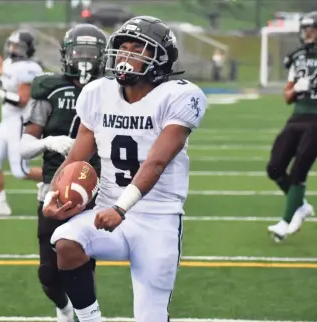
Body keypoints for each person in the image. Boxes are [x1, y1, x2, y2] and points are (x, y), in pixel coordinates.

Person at [42, 16, 207, 322]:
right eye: (123, 48)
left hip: (157, 219)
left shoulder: (180, 95)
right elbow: (77, 157)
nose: (126, 55)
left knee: (150, 317)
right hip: (108, 212)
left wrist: (121, 207)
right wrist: (53, 195)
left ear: (159, 59)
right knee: (66, 241)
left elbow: (156, 162)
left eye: (137, 49)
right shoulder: (97, 93)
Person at [19, 24, 106, 322]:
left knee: (82, 263)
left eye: (90, 52)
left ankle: (86, 314)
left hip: (94, 190)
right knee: (48, 273)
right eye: (78, 51)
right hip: (52, 188)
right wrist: (49, 141)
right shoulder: (50, 89)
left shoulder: (111, 90)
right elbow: (23, 147)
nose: (84, 58)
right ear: (66, 54)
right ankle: (64, 308)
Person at [266, 11, 317, 241]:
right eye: (306, 30)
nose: (308, 34)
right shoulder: (297, 57)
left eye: (313, 29)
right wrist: (296, 90)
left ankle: (285, 223)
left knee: (299, 171)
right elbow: (287, 96)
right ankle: (301, 206)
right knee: (274, 168)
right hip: (297, 117)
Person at [0, 28, 43, 216]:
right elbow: (1, 68)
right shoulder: (11, 63)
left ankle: (61, 177)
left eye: (18, 46)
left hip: (20, 122)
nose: (14, 49)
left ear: (28, 49)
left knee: (21, 171)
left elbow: (22, 100)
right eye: (12, 45)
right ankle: (0, 205)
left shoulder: (30, 68)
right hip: (6, 121)